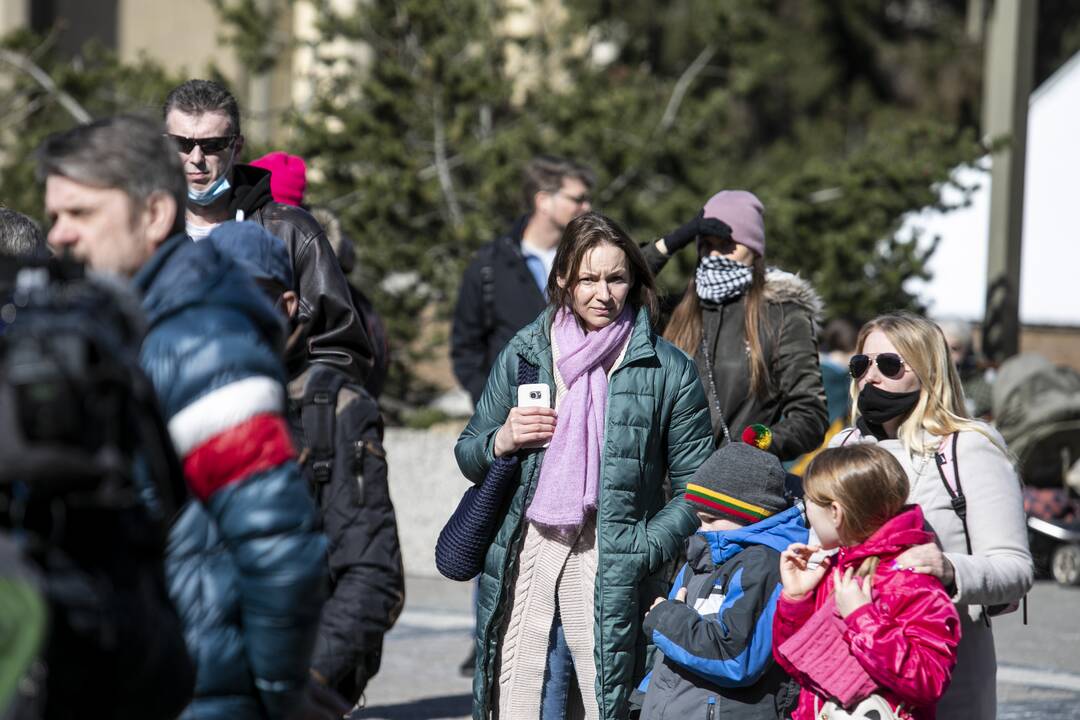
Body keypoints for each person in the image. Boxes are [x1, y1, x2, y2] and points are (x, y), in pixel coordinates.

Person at [38, 114, 328, 720]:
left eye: (82, 214)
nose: (60, 236)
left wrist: (277, 699)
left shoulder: (202, 339)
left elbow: (279, 549)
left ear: (153, 215)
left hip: (199, 691)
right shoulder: (129, 323)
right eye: (55, 216)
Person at [455, 211, 713, 720]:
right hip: (526, 567)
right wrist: (502, 439)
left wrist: (641, 547)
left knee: (605, 704)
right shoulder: (525, 354)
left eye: (616, 278)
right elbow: (468, 452)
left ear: (634, 281)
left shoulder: (669, 369)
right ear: (562, 282)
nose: (603, 293)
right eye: (587, 279)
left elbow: (696, 488)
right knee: (530, 701)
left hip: (615, 573)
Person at [209, 221, 405, 706]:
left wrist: (301, 681)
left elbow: (372, 577)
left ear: (289, 306)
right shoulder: (180, 397)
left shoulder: (334, 408)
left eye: (248, 294)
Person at [831, 311, 1033, 718]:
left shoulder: (967, 448)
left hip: (940, 676)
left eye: (889, 365)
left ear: (929, 372)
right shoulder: (843, 447)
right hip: (847, 677)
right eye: (861, 364)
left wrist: (949, 568)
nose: (870, 377)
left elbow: (1015, 568)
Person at [162, 79, 374, 386]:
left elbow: (342, 350)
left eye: (212, 145)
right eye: (182, 144)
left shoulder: (292, 232)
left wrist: (279, 403)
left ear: (236, 147)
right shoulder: (137, 230)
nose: (196, 158)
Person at [773, 444, 961, 720]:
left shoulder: (910, 581)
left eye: (808, 500)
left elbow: (928, 681)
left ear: (835, 512)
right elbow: (798, 666)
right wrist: (796, 600)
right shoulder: (836, 569)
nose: (806, 509)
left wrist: (863, 619)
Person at [645, 190, 828, 461]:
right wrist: (671, 242)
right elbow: (614, 289)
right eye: (707, 244)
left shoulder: (782, 316)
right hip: (666, 493)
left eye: (729, 244)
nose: (716, 254)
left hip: (733, 491)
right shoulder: (672, 312)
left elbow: (810, 417)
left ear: (753, 251)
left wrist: (754, 445)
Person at [636, 440, 806, 720]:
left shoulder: (765, 565)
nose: (702, 529)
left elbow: (736, 657)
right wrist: (643, 699)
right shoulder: (702, 556)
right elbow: (670, 656)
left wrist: (666, 620)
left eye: (712, 519)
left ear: (752, 517)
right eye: (700, 519)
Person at [452, 155, 595, 406]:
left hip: (580, 407)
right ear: (543, 201)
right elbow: (465, 346)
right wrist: (489, 400)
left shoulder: (591, 259)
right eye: (577, 199)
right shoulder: (489, 265)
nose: (587, 207)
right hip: (512, 415)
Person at [938, 318, 993, 419]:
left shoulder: (981, 384)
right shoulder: (924, 381)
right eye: (942, 347)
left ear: (966, 350)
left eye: (954, 348)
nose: (947, 355)